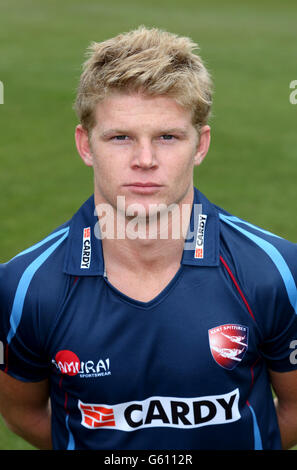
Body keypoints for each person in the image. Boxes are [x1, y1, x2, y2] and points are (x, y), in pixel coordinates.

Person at [0, 26, 297, 451]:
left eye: (168, 137)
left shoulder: (277, 271)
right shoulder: (25, 287)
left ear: (200, 145)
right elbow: (23, 415)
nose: (145, 160)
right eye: (120, 137)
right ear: (85, 145)